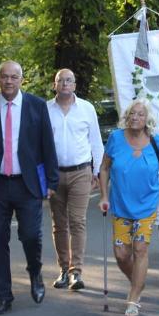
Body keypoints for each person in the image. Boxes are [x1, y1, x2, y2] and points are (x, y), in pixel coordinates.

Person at [0, 60, 59, 316]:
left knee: (30, 235)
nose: (8, 81)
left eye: (14, 77)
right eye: (4, 77)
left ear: (21, 80)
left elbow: (47, 145)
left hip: (27, 183)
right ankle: (3, 296)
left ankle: (35, 272)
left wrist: (52, 182)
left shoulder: (36, 106)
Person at [99, 99, 159, 316]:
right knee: (121, 254)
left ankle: (134, 297)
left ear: (147, 119)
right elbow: (104, 168)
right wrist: (104, 195)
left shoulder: (156, 141)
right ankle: (138, 280)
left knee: (140, 248)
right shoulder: (115, 138)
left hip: (147, 205)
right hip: (121, 205)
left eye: (140, 114)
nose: (135, 118)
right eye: (132, 114)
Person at [46, 69, 104, 291]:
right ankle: (63, 268)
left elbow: (96, 142)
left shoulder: (86, 109)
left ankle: (76, 271)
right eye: (60, 80)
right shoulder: (46, 109)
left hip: (81, 171)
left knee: (77, 221)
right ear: (55, 85)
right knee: (59, 223)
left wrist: (98, 171)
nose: (64, 84)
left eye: (69, 80)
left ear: (75, 84)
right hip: (54, 173)